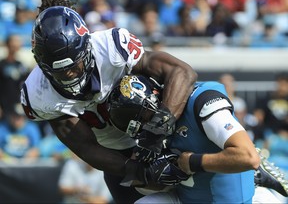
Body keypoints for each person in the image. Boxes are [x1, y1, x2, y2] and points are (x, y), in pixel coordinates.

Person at [20, 0, 197, 203]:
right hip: (118, 156)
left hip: (166, 131)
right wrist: (140, 171)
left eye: (74, 66)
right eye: (58, 71)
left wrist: (160, 126)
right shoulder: (38, 94)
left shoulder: (111, 47)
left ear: (86, 47)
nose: (68, 75)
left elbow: (182, 72)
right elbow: (86, 147)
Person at [107, 74, 288, 203]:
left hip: (239, 198)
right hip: (188, 196)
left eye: (144, 116)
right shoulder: (144, 133)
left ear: (155, 95)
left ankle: (252, 175)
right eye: (137, 123)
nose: (145, 127)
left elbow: (248, 157)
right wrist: (158, 175)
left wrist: (191, 162)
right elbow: (138, 183)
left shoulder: (201, 101)